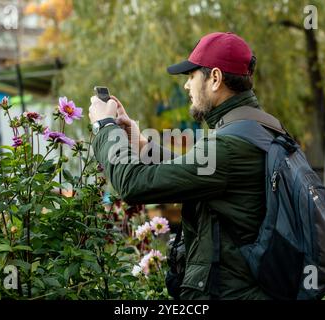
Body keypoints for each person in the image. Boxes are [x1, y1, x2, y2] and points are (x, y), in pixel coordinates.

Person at [88, 32, 270, 299]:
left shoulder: (229, 145)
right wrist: (141, 144)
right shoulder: (259, 128)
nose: (187, 86)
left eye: (191, 76)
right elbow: (195, 170)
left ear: (216, 79)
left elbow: (133, 184)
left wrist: (104, 128)